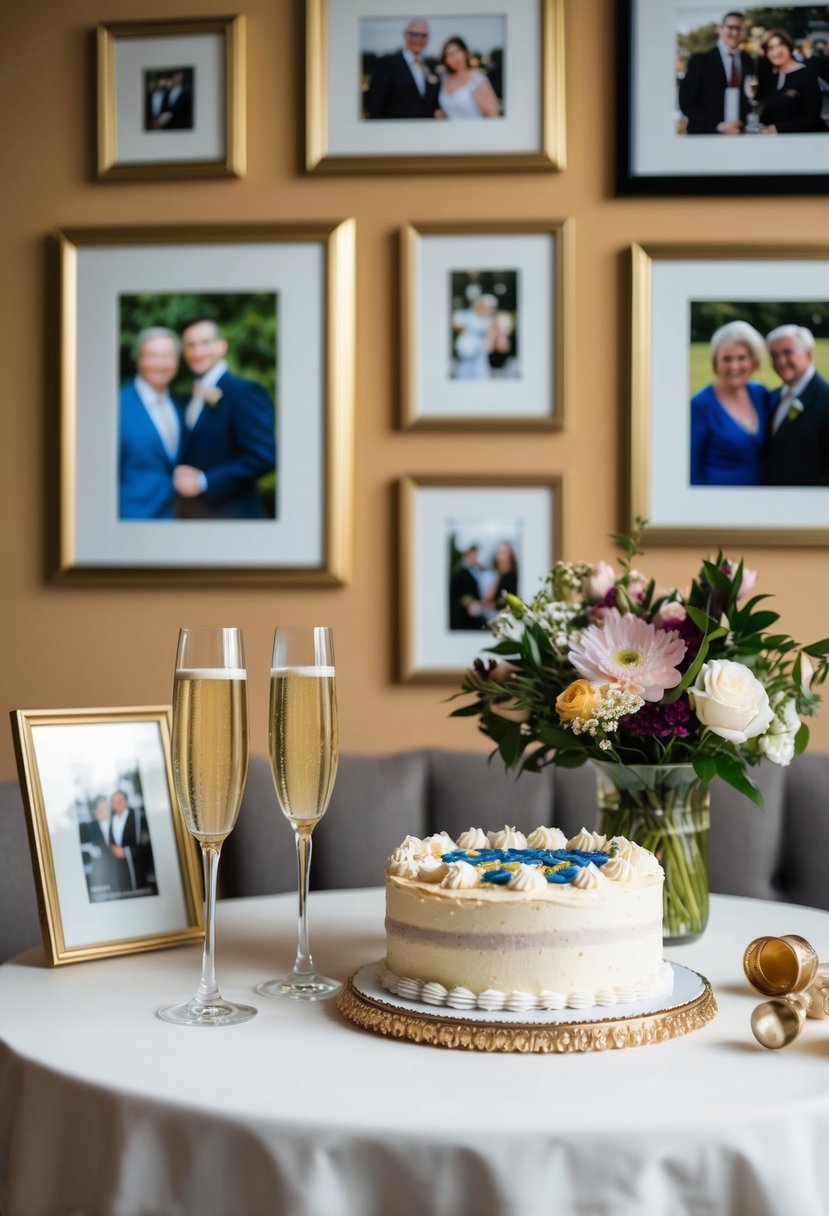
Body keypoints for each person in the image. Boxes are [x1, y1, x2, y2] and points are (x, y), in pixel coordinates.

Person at [174, 317, 276, 519]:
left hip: (233, 517)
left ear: (222, 346)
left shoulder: (245, 392)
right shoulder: (186, 397)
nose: (198, 352)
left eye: (205, 343)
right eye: (191, 345)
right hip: (192, 518)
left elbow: (262, 457)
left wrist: (204, 481)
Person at [690, 320, 770, 486]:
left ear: (753, 362)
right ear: (715, 363)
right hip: (718, 503)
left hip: (761, 502)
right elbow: (691, 468)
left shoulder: (760, 394)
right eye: (726, 359)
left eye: (742, 358)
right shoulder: (699, 405)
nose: (734, 366)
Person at [119, 327, 184, 519]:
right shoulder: (117, 405)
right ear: (139, 360)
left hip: (174, 519)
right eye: (153, 355)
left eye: (168, 356)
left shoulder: (179, 406)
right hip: (131, 519)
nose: (161, 363)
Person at [764, 325, 829, 486]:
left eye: (788, 352)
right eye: (774, 355)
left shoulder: (825, 397)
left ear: (808, 354)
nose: (780, 361)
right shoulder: (773, 396)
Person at [678, 12, 756, 134]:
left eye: (739, 28)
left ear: (744, 31)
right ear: (720, 29)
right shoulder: (700, 61)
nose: (734, 33)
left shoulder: (748, 60)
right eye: (730, 27)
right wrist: (717, 126)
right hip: (706, 135)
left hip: (739, 135)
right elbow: (686, 102)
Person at [365, 18, 440, 119]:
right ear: (406, 36)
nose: (419, 39)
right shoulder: (387, 64)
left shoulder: (431, 67)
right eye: (414, 34)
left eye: (423, 36)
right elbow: (375, 104)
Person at [758, 29, 824, 133]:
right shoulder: (771, 78)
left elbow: (812, 120)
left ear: (789, 46)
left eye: (781, 45)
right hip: (773, 144)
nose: (776, 51)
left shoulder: (806, 74)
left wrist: (778, 129)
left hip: (800, 143)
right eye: (771, 48)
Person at [435, 37, 500, 120]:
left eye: (454, 53)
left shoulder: (477, 80)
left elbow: (493, 116)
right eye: (447, 55)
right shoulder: (444, 79)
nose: (450, 59)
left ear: (465, 52)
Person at [107, 791, 157, 896]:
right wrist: (113, 849)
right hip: (120, 869)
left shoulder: (138, 817)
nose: (117, 804)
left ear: (126, 802)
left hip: (137, 866)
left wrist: (126, 851)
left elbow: (146, 841)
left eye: (120, 801)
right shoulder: (112, 819)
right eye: (114, 802)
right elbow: (111, 842)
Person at [453, 293, 502, 380]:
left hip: (480, 359)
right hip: (466, 357)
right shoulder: (466, 316)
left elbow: (489, 346)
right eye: (487, 307)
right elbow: (457, 326)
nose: (488, 309)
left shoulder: (490, 321)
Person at [449, 544, 486, 630]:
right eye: (472, 554)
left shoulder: (476, 570)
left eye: (476, 555)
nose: (474, 557)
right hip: (464, 615)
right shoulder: (461, 572)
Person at [483, 541, 518, 620]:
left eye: (503, 552)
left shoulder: (512, 577)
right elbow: (488, 599)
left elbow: (505, 602)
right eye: (498, 552)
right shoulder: (497, 575)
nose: (500, 556)